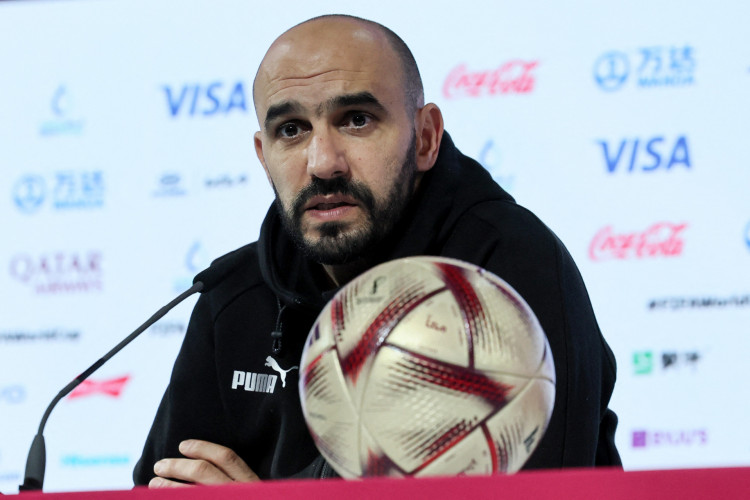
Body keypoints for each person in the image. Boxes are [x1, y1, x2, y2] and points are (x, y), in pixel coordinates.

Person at [134, 14, 621, 487]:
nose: (323, 163)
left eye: (357, 120)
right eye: (291, 130)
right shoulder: (233, 292)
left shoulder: (509, 270)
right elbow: (162, 484)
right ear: (264, 156)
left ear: (426, 137)